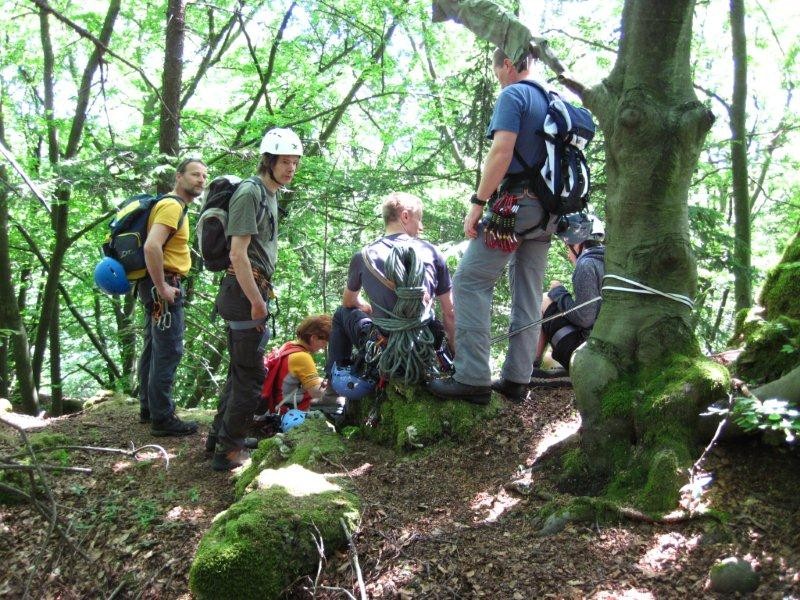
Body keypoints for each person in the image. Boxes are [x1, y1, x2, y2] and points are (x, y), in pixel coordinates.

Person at [429, 47, 551, 405]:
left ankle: (472, 377)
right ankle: (517, 378)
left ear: (509, 65)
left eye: (498, 71)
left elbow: (502, 152)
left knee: (470, 280)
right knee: (529, 291)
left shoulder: (514, 94)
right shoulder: (551, 100)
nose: (498, 77)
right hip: (548, 213)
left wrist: (478, 203)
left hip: (516, 206)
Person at [210, 127, 302, 472]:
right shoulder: (250, 193)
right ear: (269, 160)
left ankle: (221, 437)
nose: (290, 168)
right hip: (244, 291)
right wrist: (257, 302)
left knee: (240, 370)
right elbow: (238, 253)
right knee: (250, 376)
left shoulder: (270, 193)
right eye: (284, 161)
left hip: (250, 289)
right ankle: (228, 452)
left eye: (294, 162)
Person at [322, 192, 455, 411]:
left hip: (385, 345)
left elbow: (348, 302)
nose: (420, 226)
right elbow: (450, 312)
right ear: (405, 216)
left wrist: (366, 306)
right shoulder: (432, 252)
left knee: (341, 314)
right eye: (418, 219)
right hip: (425, 344)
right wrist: (453, 354)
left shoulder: (364, 256)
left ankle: (333, 387)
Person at [138, 158, 208, 435]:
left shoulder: (173, 206)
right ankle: (163, 418)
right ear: (179, 177)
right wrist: (163, 287)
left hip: (155, 285)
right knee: (168, 349)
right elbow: (152, 247)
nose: (201, 179)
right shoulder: (171, 206)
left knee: (153, 348)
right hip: (163, 285)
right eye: (194, 174)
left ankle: (149, 407)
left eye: (204, 175)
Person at [533, 213, 605, 378]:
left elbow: (584, 318)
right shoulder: (612, 262)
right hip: (606, 348)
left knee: (545, 299)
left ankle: (529, 366)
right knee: (550, 359)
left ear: (578, 242)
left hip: (589, 352)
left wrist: (559, 292)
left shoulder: (586, 264)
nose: (568, 253)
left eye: (568, 246)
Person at [268, 314, 332, 414]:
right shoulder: (302, 357)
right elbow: (317, 393)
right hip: (289, 411)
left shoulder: (289, 346)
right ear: (313, 338)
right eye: (324, 342)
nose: (324, 347)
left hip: (276, 405)